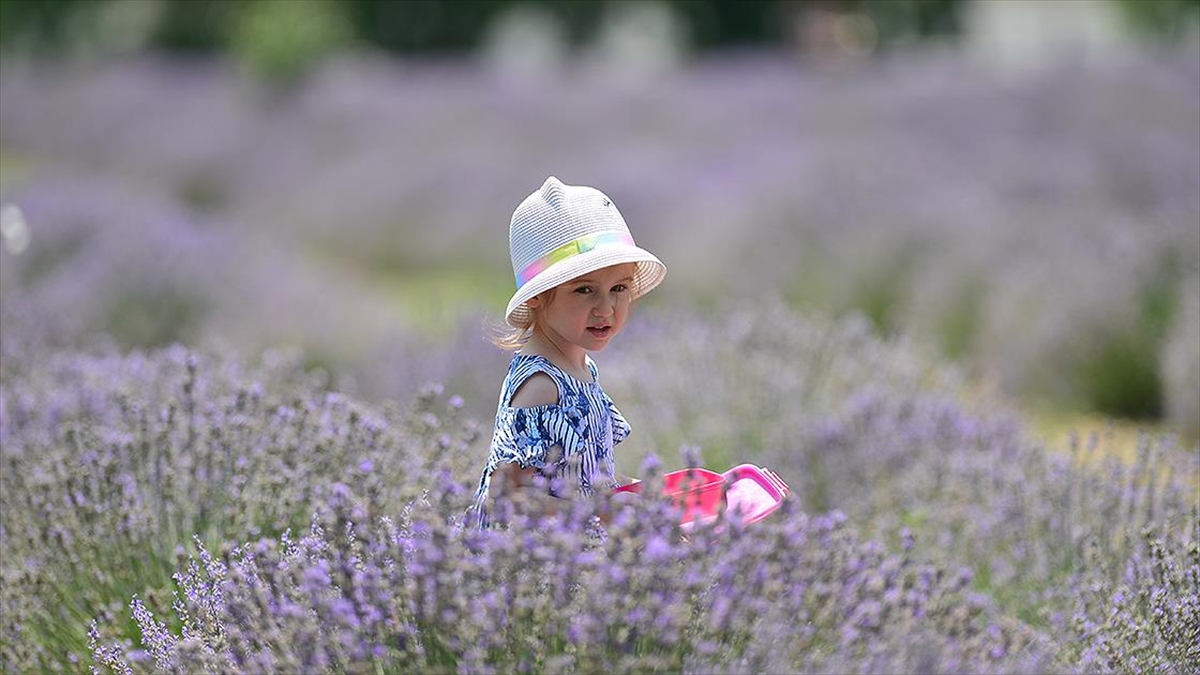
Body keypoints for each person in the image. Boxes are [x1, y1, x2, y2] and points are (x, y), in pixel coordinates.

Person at [468, 176, 666, 529]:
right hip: (527, 568)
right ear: (537, 296)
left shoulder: (581, 369)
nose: (606, 308)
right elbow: (507, 498)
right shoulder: (543, 385)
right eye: (585, 290)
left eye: (619, 288)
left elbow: (583, 474)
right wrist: (605, 513)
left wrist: (630, 498)